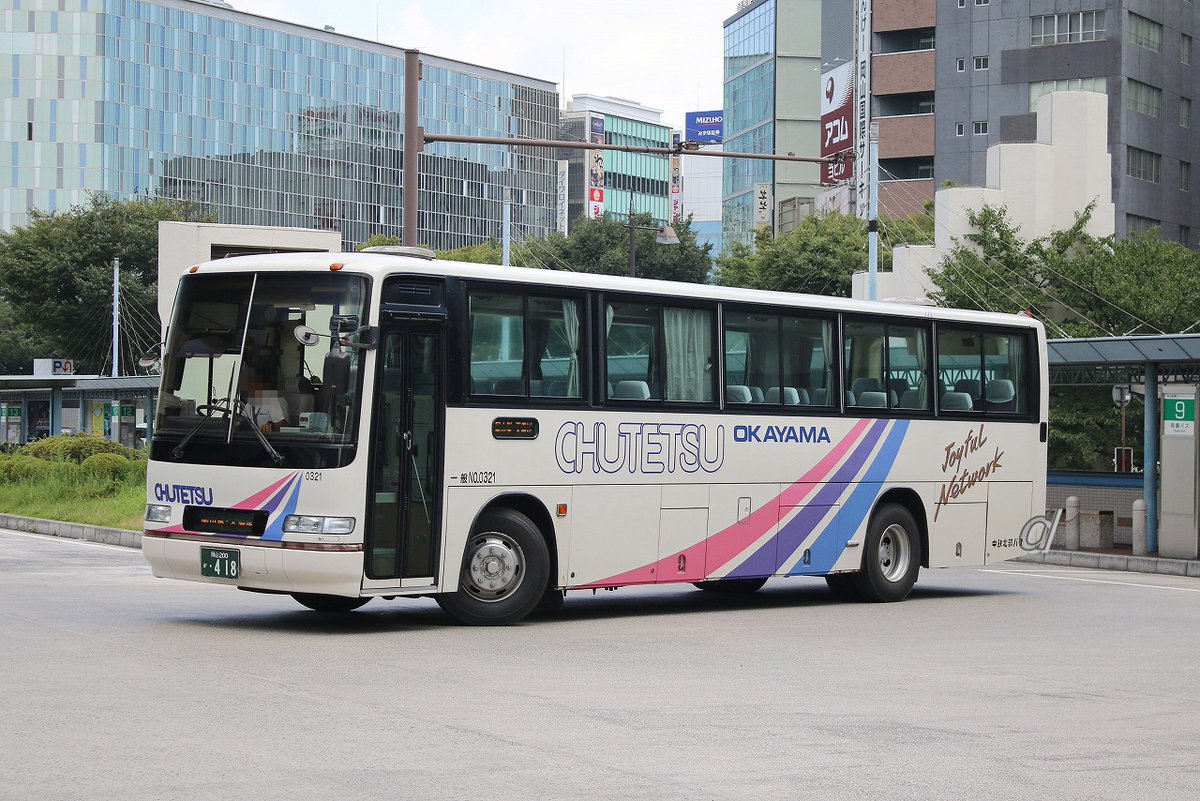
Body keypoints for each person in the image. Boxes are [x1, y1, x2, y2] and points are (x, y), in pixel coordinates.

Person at [241, 367, 290, 433]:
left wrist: (271, 425)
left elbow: (284, 424)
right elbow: (242, 420)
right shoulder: (250, 403)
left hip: (270, 439)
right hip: (253, 437)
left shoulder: (275, 399)